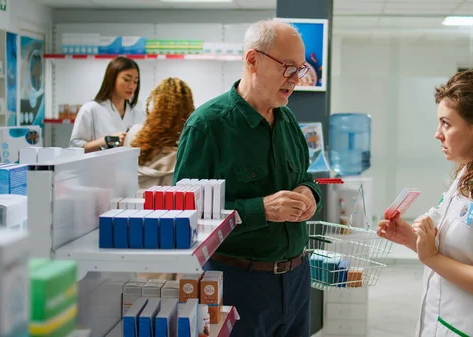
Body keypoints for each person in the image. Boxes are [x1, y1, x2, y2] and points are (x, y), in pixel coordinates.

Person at [172, 19, 322, 337]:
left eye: (301, 69)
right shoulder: (208, 126)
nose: (296, 79)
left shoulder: (287, 120)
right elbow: (183, 214)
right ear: (253, 60)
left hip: (296, 280)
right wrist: (261, 209)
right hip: (237, 283)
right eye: (288, 68)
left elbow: (306, 177)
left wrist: (309, 193)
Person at [378, 70, 473, 337]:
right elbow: (456, 249)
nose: (437, 134)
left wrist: (432, 258)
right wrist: (410, 239)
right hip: (443, 324)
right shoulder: (467, 177)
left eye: (446, 124)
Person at [124, 77, 195, 189]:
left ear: (157, 102)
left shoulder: (134, 133)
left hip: (132, 200)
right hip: (167, 203)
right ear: (188, 106)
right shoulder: (186, 146)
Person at [69, 56, 145, 152]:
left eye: (135, 81)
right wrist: (107, 141)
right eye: (126, 80)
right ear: (112, 79)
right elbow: (75, 149)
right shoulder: (91, 109)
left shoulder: (138, 113)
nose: (132, 86)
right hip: (98, 166)